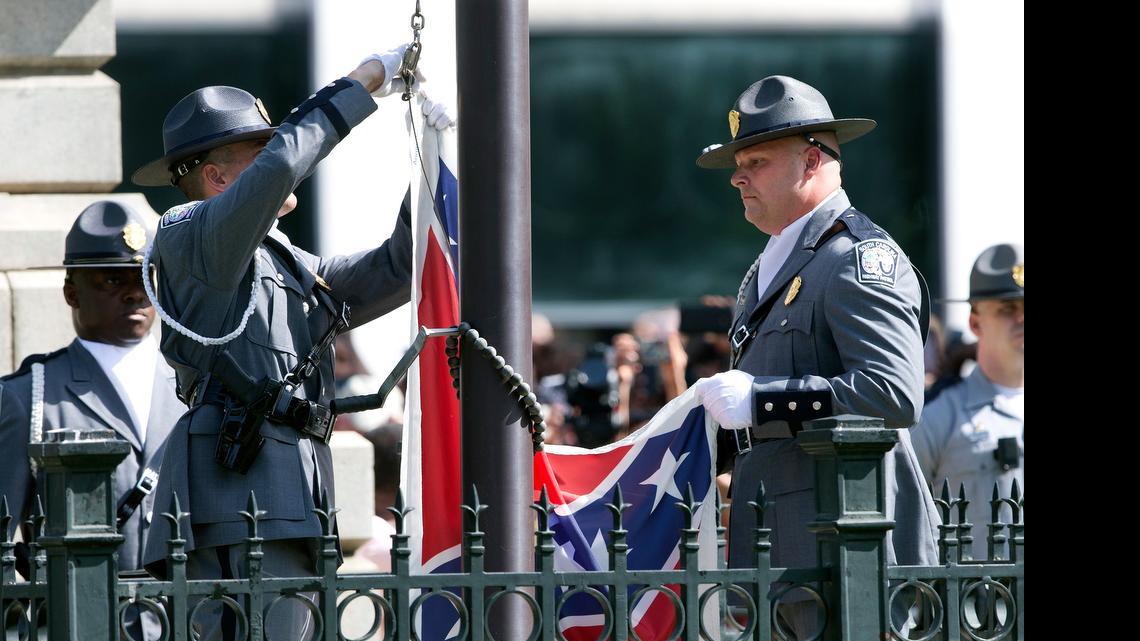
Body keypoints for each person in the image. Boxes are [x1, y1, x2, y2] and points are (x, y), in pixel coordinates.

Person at [129, 44, 453, 639]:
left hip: (290, 500)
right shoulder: (188, 237)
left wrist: (433, 163)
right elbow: (284, 164)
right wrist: (363, 83)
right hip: (238, 506)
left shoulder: (281, 259)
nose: (285, 165)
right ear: (218, 177)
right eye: (260, 152)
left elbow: (395, 267)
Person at [688, 75, 940, 637]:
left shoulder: (858, 258)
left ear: (809, 161)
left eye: (756, 160)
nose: (738, 176)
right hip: (781, 535)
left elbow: (892, 393)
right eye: (739, 162)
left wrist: (763, 399)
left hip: (846, 539)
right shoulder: (768, 267)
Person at [0, 200, 183, 640]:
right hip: (75, 622)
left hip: (186, 621)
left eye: (144, 278)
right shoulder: (29, 394)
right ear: (71, 292)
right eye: (111, 279)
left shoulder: (194, 387)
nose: (136, 293)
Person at [911, 243, 1024, 560]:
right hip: (978, 605)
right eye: (1007, 309)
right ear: (975, 323)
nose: (1022, 319)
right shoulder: (939, 417)